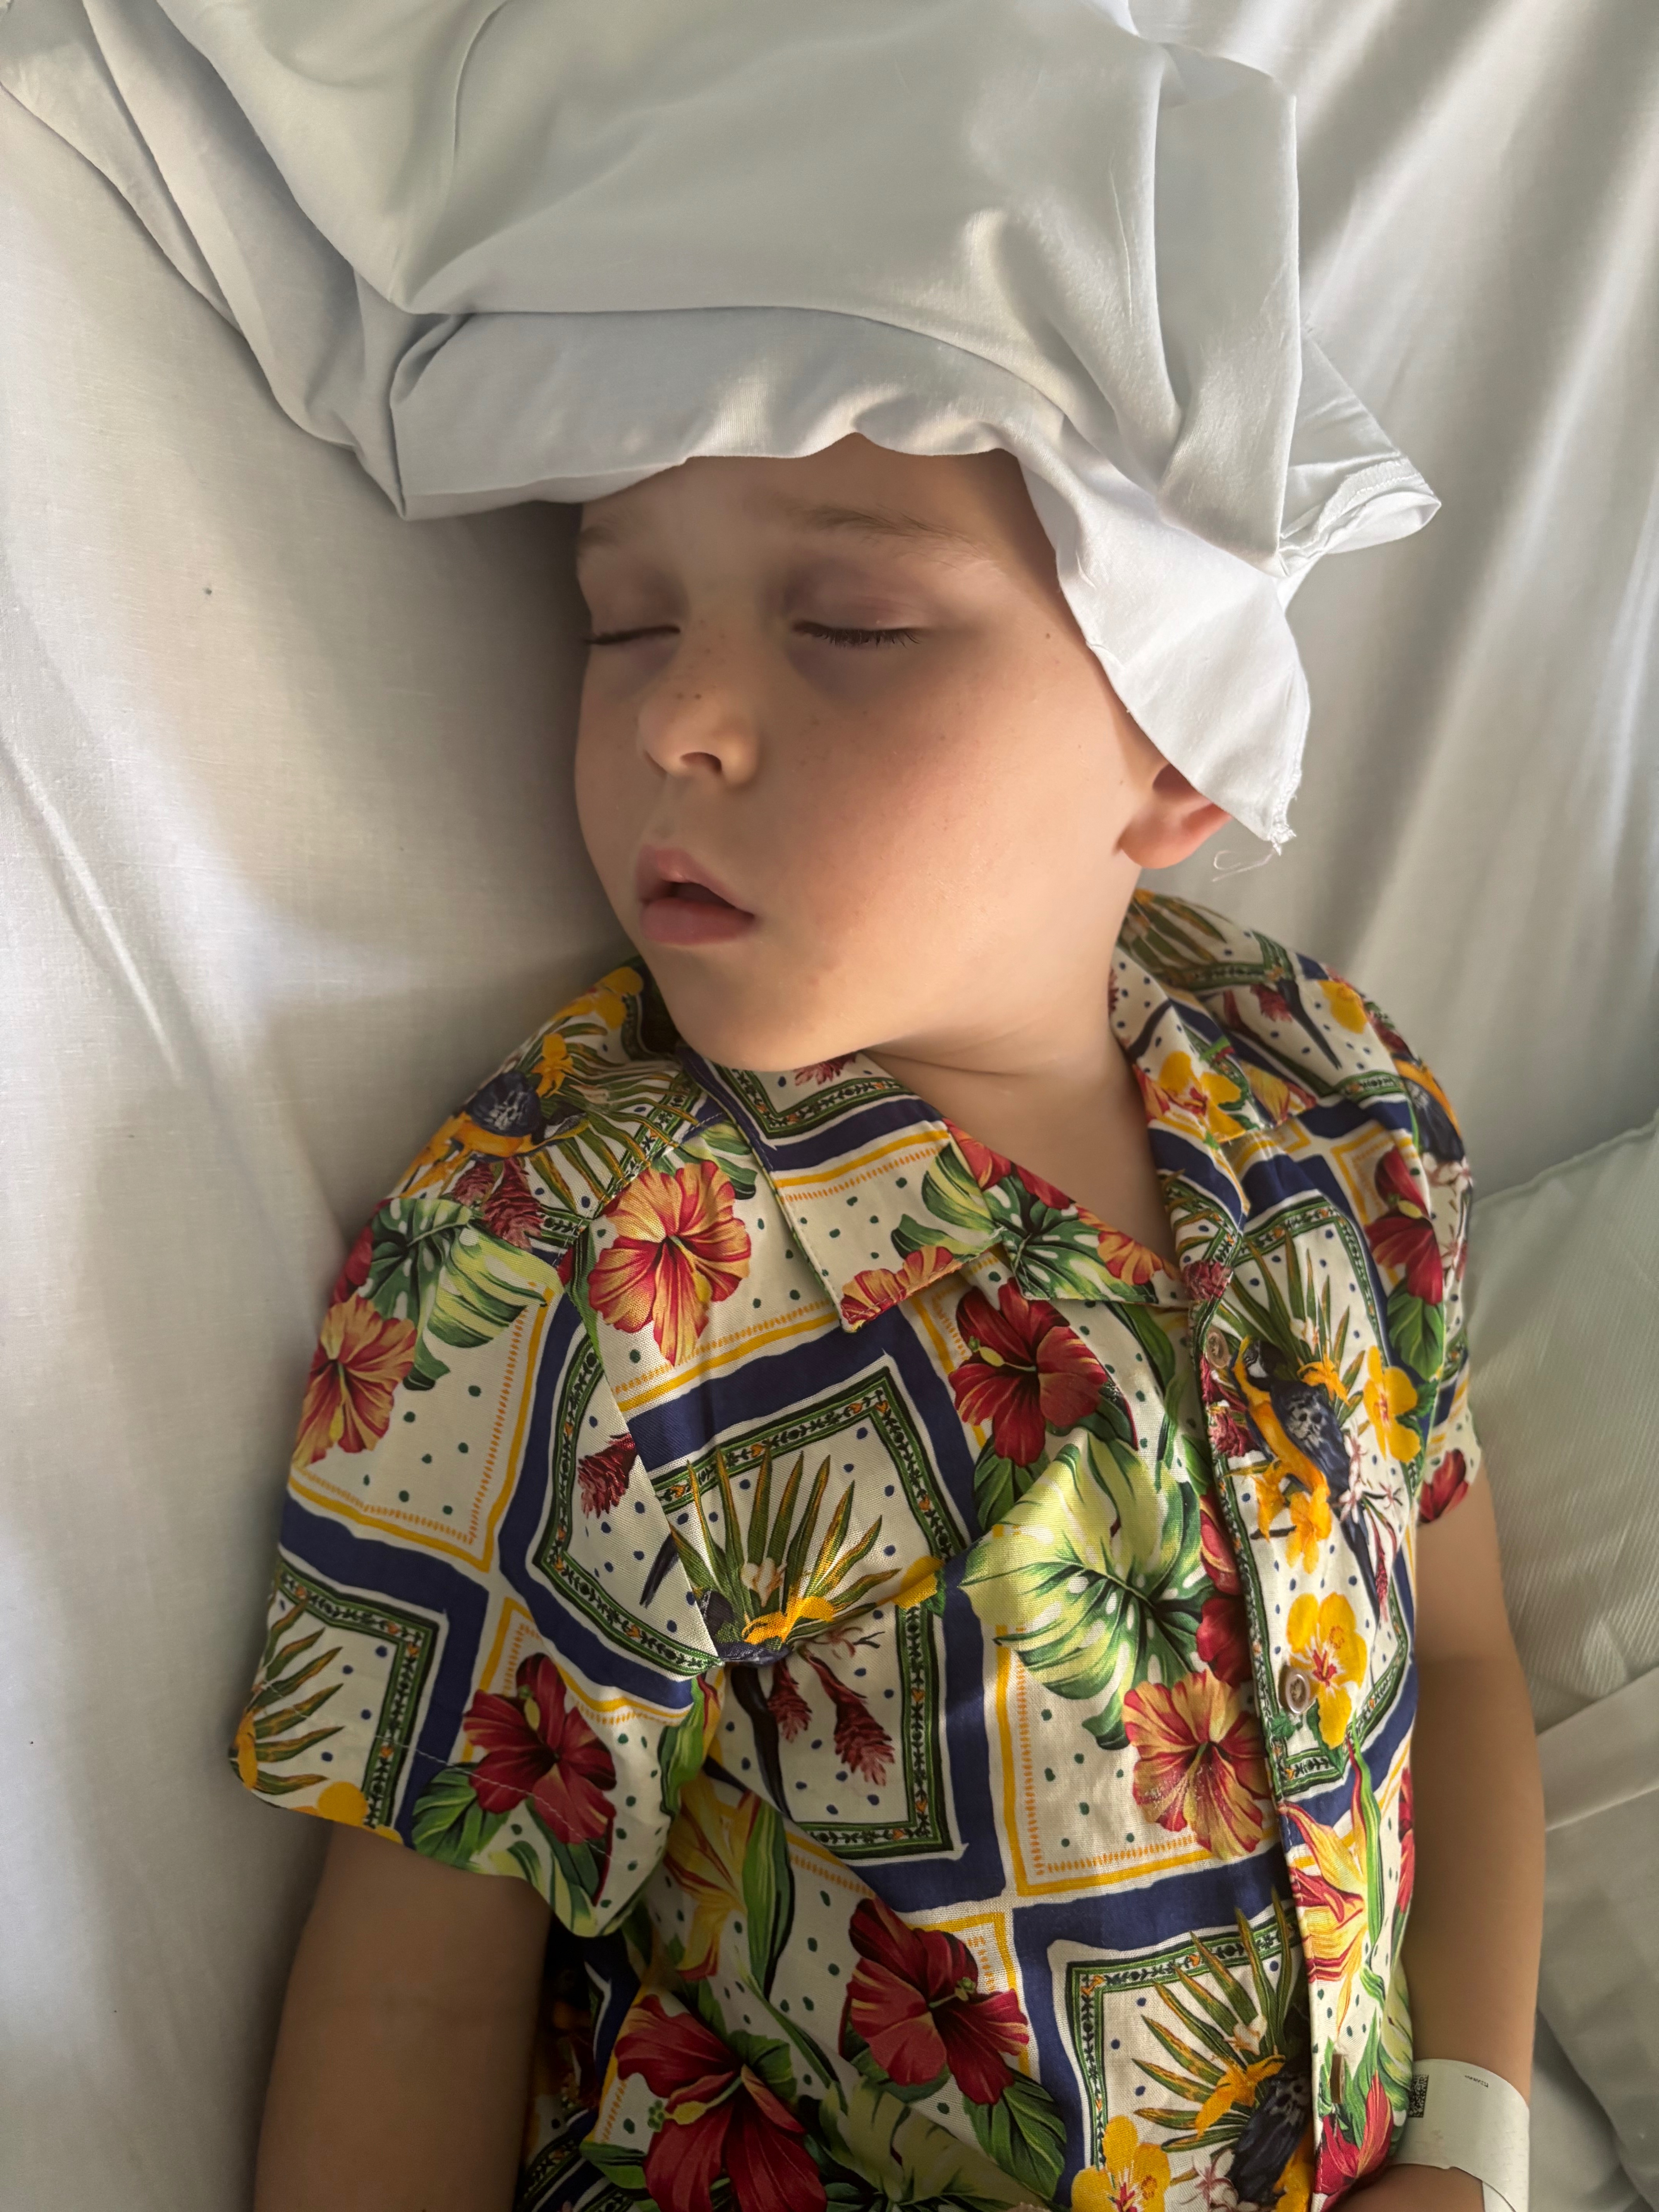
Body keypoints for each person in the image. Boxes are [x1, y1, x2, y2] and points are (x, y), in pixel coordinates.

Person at [237, 432, 1542, 2212]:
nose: (675, 719)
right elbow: (413, 2001)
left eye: (849, 624)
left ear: (1177, 750)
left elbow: (1460, 1661)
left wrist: (1471, 2149)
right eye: (626, 621)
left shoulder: (1336, 1109)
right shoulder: (580, 1256)